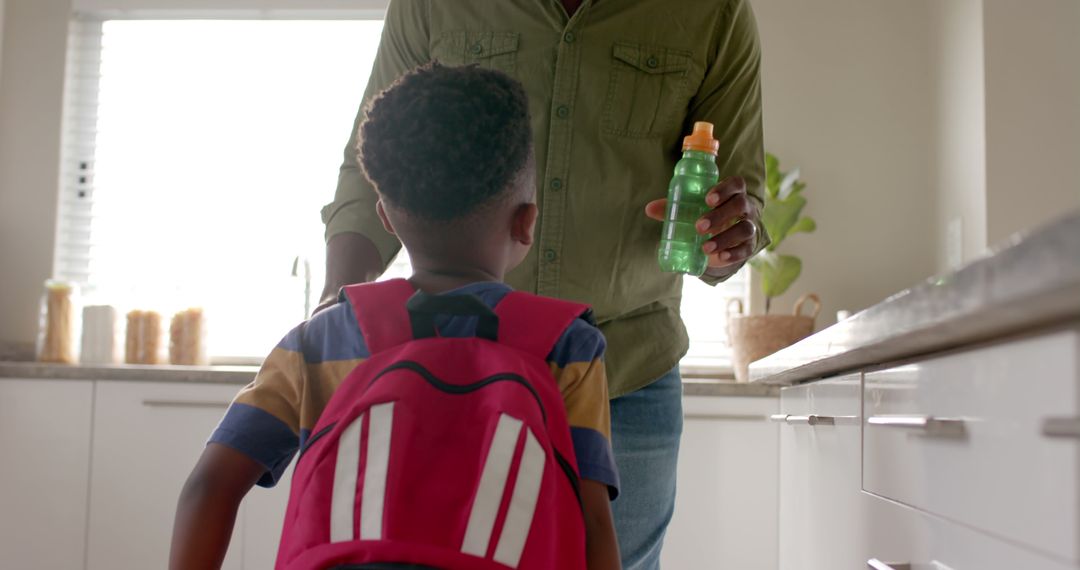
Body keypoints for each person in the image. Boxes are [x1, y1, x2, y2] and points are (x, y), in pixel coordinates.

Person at [318, 1, 768, 568]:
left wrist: (725, 235)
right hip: (455, 374)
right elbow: (374, 168)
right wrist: (334, 308)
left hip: (626, 379)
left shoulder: (712, 11)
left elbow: (738, 193)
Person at [171, 64, 621, 569]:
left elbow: (210, 485)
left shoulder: (320, 341)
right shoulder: (565, 347)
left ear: (384, 216)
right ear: (526, 221)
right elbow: (593, 523)